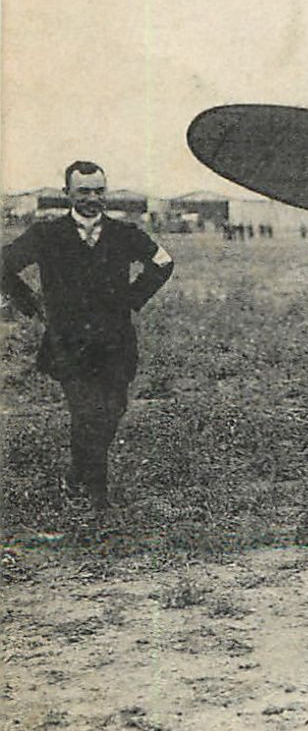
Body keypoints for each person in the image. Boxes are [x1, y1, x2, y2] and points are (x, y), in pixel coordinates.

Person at [2, 161, 174, 509]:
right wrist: (29, 302)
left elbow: (163, 262)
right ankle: (95, 496)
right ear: (67, 193)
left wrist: (133, 297)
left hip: (116, 345)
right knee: (87, 413)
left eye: (99, 191)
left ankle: (78, 475)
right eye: (84, 191)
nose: (93, 198)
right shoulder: (46, 235)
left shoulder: (125, 233)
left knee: (112, 410)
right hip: (68, 345)